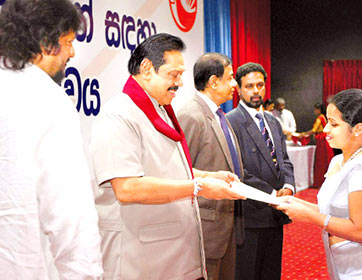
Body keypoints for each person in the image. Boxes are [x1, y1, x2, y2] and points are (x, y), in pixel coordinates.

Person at [89, 33, 244, 280]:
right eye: (174, 75)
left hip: (172, 257)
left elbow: (168, 170)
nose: (180, 83)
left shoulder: (159, 111)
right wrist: (199, 186)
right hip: (140, 262)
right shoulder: (118, 116)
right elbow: (127, 188)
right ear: (147, 68)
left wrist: (208, 175)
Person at [0, 0, 103, 279]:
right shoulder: (48, 101)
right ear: (46, 43)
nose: (72, 52)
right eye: (68, 41)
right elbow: (70, 215)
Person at [277, 89, 362, 279]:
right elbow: (334, 209)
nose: (326, 130)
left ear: (358, 129)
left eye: (333, 124)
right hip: (346, 262)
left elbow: (359, 230)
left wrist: (307, 216)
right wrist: (296, 203)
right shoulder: (340, 161)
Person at [177, 53, 244, 280]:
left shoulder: (219, 115)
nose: (235, 84)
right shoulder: (190, 116)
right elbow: (181, 172)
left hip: (226, 228)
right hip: (205, 232)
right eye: (231, 77)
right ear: (214, 82)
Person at [226, 62, 295, 280]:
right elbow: (237, 170)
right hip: (250, 217)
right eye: (249, 86)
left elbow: (284, 159)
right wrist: (272, 194)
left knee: (272, 273)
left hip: (276, 215)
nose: (256, 91)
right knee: (248, 274)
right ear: (238, 89)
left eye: (260, 85)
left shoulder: (273, 122)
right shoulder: (230, 122)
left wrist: (288, 187)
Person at [300, 102, 334, 187]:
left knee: (320, 161)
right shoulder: (324, 117)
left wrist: (304, 133)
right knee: (326, 160)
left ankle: (319, 182)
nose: (314, 111)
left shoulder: (319, 118)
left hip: (321, 141)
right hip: (325, 139)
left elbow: (314, 130)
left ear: (318, 110)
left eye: (315, 109)